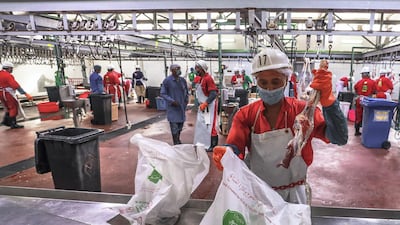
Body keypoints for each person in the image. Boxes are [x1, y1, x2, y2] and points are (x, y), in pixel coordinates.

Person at [212, 49, 348, 204]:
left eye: (275, 81)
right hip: (258, 193)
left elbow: (339, 137)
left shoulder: (303, 111)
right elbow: (236, 147)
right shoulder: (246, 114)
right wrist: (227, 153)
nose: (269, 88)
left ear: (286, 80)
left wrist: (329, 101)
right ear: (257, 82)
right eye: (263, 82)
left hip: (294, 195)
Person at [193, 60, 219, 152]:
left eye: (198, 68)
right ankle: (202, 143)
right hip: (203, 105)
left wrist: (206, 103)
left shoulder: (208, 78)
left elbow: (213, 93)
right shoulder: (201, 78)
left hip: (209, 105)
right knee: (202, 124)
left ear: (202, 69)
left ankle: (213, 145)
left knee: (210, 125)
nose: (196, 70)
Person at [160, 64, 189, 145]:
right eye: (177, 69)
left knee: (180, 126)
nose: (179, 70)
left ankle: (178, 139)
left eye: (179, 69)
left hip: (181, 107)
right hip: (173, 108)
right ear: (172, 70)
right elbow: (163, 93)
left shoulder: (182, 80)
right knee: (174, 127)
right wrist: (171, 101)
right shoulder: (167, 81)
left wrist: (186, 100)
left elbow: (186, 91)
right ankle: (176, 142)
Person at [0, 62, 33, 128]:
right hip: (8, 94)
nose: (12, 70)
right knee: (13, 107)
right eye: (11, 68)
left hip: (1, 93)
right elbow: (15, 85)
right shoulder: (8, 75)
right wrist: (25, 93)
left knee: (7, 107)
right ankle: (13, 123)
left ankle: (5, 121)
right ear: (8, 68)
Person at [354, 66, 377, 136]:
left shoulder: (359, 82)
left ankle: (357, 131)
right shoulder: (373, 82)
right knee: (368, 116)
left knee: (358, 115)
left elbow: (355, 89)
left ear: (363, 74)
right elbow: (375, 92)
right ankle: (366, 131)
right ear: (368, 74)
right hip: (368, 101)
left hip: (360, 100)